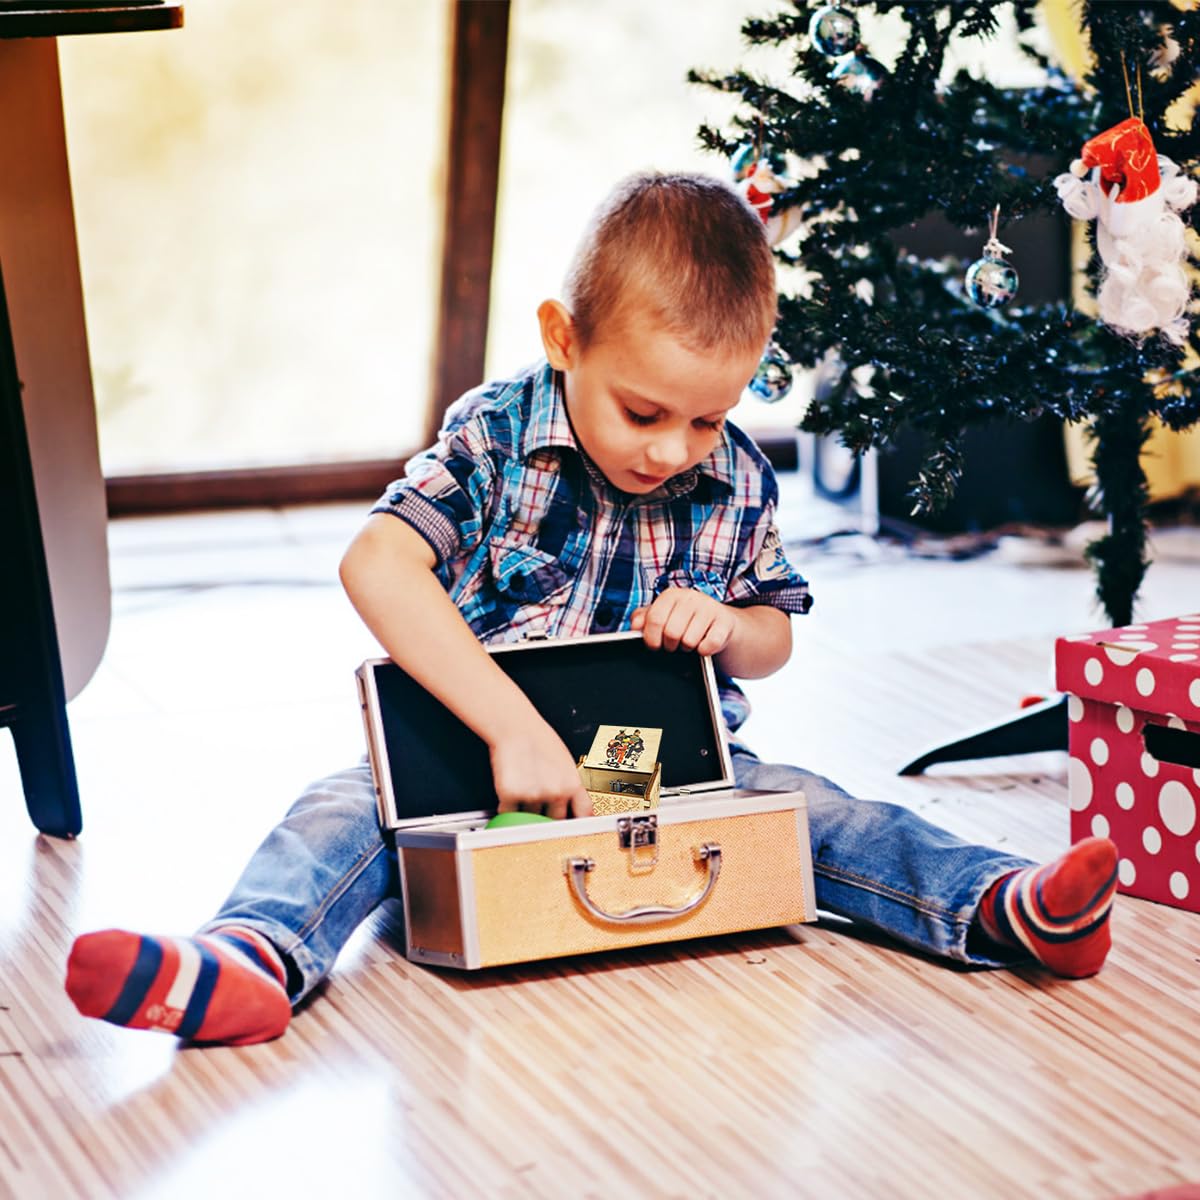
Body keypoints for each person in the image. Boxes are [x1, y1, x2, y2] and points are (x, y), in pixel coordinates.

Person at [64, 172, 1118, 1046]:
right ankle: (249, 957)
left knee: (816, 810)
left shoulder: (736, 477)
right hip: (470, 758)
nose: (672, 449)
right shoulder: (494, 435)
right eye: (644, 410)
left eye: (708, 419)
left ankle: (1003, 905)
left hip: (649, 766)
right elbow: (377, 565)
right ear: (564, 338)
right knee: (335, 818)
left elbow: (774, 636)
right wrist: (513, 729)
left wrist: (729, 628)